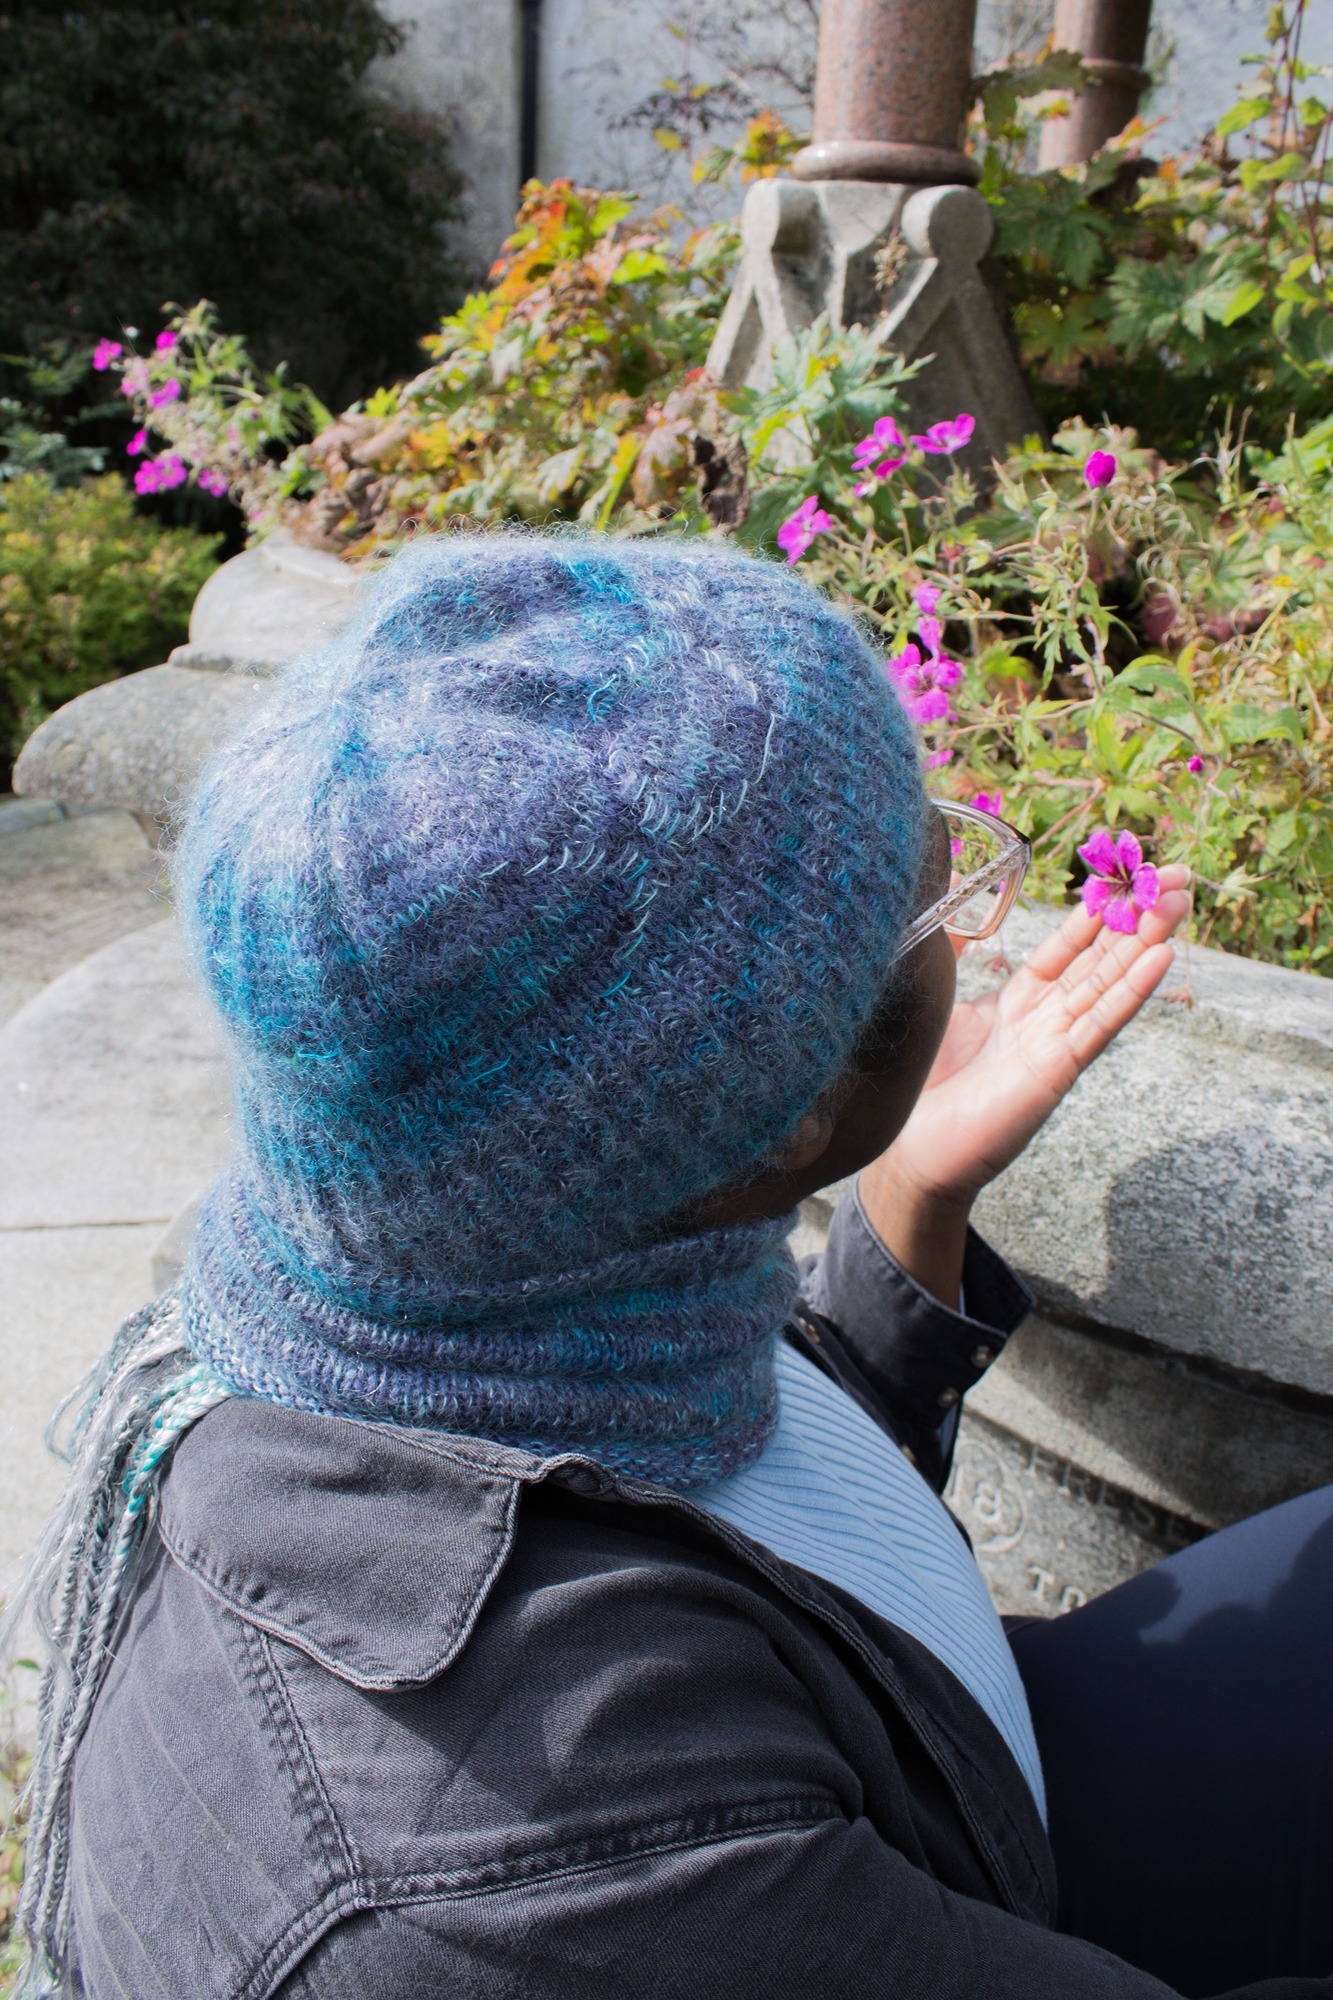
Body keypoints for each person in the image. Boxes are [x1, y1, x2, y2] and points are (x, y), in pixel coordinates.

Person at [9, 534, 1331, 2000]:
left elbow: (725, 1511)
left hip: (925, 1760)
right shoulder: (523, 1854)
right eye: (942, 876)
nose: (978, 910)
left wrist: (905, 1201)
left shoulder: (445, 1266)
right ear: (786, 1117)